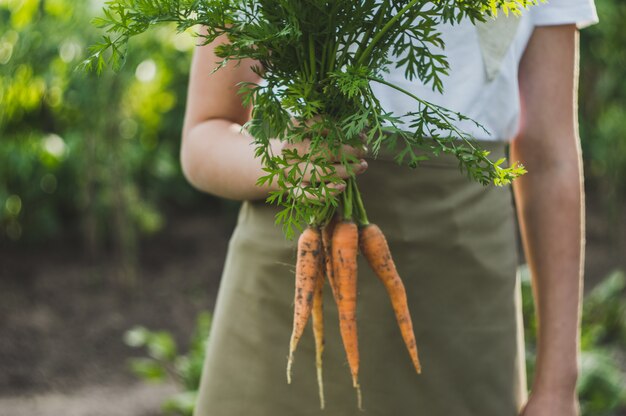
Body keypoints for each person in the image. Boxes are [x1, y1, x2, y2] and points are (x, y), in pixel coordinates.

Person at [181, 1, 598, 415]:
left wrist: (559, 385)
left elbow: (548, 161)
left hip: (459, 297)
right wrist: (286, 164)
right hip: (286, 279)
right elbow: (204, 135)